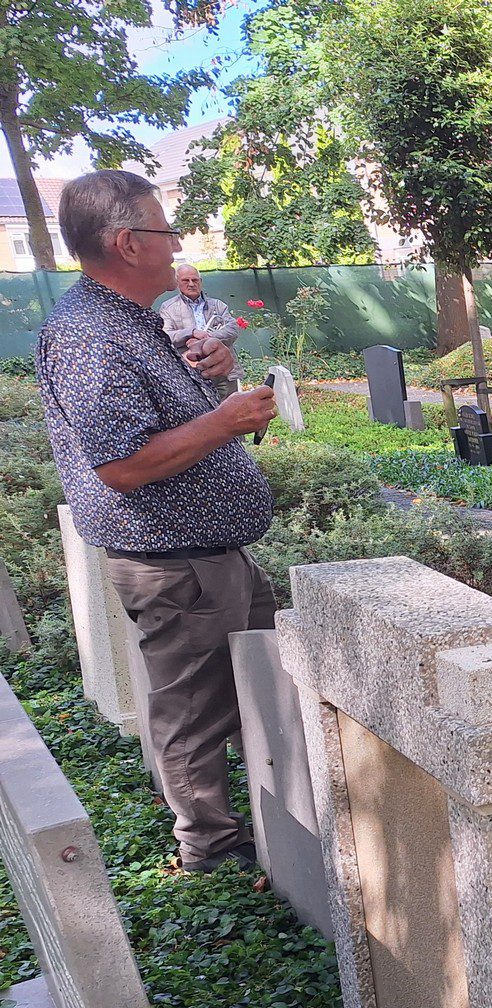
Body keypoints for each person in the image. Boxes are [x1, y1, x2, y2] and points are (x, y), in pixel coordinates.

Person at [36, 171, 277, 873]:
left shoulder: (137, 321)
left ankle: (271, 807)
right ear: (124, 242)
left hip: (211, 554)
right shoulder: (87, 335)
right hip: (175, 565)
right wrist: (225, 421)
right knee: (194, 710)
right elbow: (122, 465)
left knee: (251, 688)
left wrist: (218, 378)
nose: (176, 246)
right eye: (165, 231)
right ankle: (211, 845)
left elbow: (174, 417)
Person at [157, 263, 240, 402]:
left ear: (200, 282)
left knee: (231, 410)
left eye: (195, 280)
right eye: (185, 280)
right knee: (200, 414)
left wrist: (206, 338)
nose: (191, 284)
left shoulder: (218, 305)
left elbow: (232, 330)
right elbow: (165, 336)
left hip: (223, 369)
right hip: (191, 370)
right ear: (178, 283)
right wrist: (191, 332)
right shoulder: (168, 308)